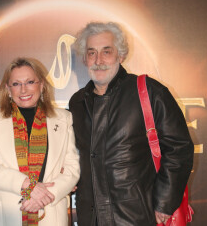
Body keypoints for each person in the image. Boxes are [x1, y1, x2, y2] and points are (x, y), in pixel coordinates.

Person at [69, 22, 194, 226]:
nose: (98, 60)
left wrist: (163, 204)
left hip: (136, 216)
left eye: (106, 52)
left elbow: (179, 149)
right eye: (91, 53)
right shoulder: (77, 102)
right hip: (90, 218)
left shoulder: (149, 91)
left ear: (121, 55)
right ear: (84, 58)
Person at [0, 57, 80, 226]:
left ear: (42, 85)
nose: (23, 90)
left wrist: (44, 197)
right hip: (5, 214)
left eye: (30, 82)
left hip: (50, 213)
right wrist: (27, 185)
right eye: (16, 84)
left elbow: (72, 169)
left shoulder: (63, 119)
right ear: (8, 89)